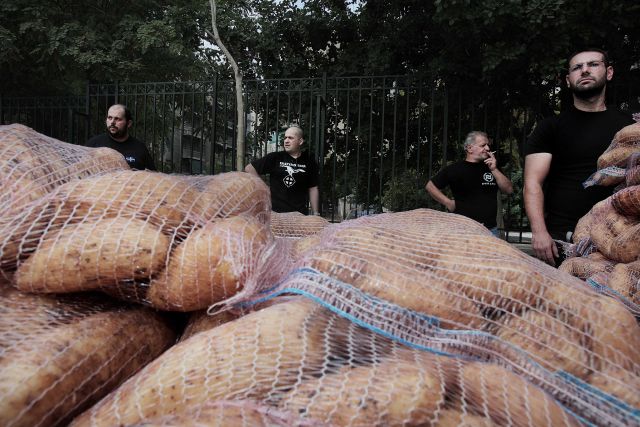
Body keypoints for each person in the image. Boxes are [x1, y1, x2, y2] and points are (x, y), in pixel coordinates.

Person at [524, 48, 634, 266]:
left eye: (593, 64)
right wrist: (539, 232)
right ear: (568, 80)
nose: (584, 70)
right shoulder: (550, 127)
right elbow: (532, 183)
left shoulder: (629, 128)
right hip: (562, 238)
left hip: (620, 236)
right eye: (577, 67)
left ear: (609, 72)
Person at [425, 131, 513, 234]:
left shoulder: (492, 167)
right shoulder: (455, 169)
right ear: (469, 148)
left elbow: (509, 190)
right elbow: (430, 186)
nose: (488, 148)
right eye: (483, 145)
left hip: (490, 230)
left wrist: (494, 170)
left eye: (488, 145)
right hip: (463, 230)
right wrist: (448, 202)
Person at [245, 125, 320, 215]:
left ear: (300, 141)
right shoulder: (275, 157)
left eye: (290, 138)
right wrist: (264, 187)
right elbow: (249, 168)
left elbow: (313, 188)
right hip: (275, 213)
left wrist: (316, 212)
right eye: (285, 138)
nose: (286, 141)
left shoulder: (309, 162)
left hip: (299, 214)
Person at [87, 104, 156, 171]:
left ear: (128, 123)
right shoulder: (94, 144)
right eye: (110, 118)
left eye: (117, 119)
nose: (112, 122)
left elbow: (152, 175)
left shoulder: (139, 148)